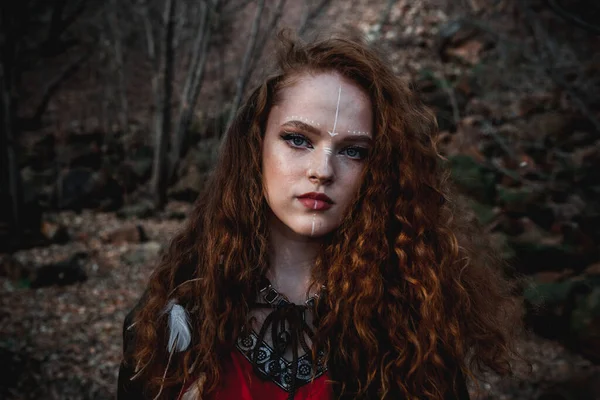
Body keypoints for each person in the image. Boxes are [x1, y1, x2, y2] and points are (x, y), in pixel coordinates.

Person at [117, 29, 521, 400]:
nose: (322, 170)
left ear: (378, 170)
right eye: (297, 139)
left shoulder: (412, 325)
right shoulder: (175, 319)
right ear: (255, 146)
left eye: (353, 151)